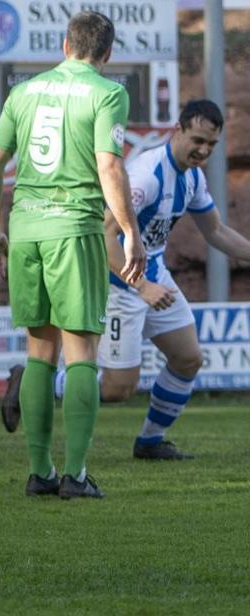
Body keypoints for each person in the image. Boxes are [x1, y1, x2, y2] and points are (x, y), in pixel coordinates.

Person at [0, 10, 146, 501]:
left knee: (39, 351)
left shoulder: (24, 91)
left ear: (64, 44)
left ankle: (39, 473)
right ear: (107, 54)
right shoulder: (107, 92)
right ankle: (75, 475)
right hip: (74, 228)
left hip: (26, 228)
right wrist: (130, 231)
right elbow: (108, 164)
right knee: (81, 354)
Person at [95, 100, 246, 458]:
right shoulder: (147, 174)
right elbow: (104, 238)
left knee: (188, 358)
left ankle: (149, 442)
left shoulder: (192, 178)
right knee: (117, 389)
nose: (203, 150)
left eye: (211, 144)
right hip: (120, 283)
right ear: (176, 130)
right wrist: (142, 286)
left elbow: (217, 232)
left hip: (154, 273)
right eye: (197, 140)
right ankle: (34, 384)